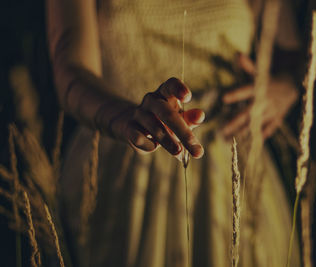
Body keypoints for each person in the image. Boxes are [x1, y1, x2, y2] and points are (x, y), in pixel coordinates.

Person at [47, 0, 301, 266]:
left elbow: (292, 59)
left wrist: (285, 87)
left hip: (231, 166)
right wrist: (128, 118)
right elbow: (71, 67)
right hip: (120, 159)